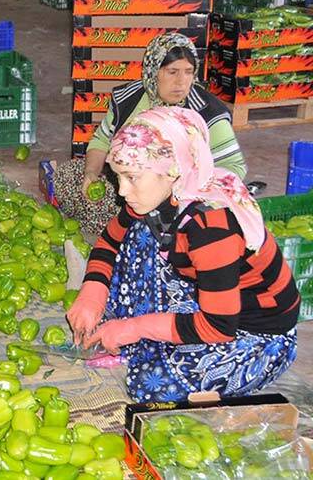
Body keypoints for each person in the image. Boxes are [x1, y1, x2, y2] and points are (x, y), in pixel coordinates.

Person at [66, 107, 298, 403]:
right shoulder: (165, 192)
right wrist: (92, 294)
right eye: (119, 177)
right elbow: (110, 241)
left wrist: (134, 328)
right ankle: (136, 330)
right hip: (214, 298)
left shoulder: (212, 227)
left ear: (173, 171)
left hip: (251, 329)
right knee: (138, 232)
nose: (122, 191)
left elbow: (217, 327)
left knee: (154, 383)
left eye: (132, 178)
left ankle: (137, 333)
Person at [55, 33, 246, 234]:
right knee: (66, 176)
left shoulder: (207, 111)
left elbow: (234, 168)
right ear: (153, 71)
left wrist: (182, 189)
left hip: (180, 197)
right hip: (128, 183)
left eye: (189, 72)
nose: (181, 82)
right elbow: (102, 140)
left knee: (126, 220)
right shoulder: (128, 98)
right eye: (172, 72)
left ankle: (136, 227)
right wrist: (91, 173)